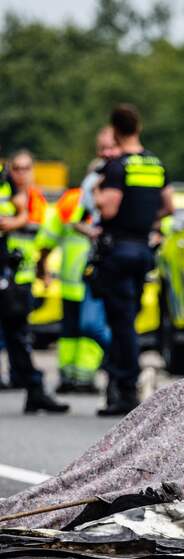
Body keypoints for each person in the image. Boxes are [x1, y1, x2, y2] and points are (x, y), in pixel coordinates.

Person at [94, 105, 173, 416]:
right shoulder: (155, 164)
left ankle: (125, 388)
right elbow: (168, 206)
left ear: (115, 130)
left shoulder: (116, 167)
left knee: (122, 321)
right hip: (143, 250)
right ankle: (121, 382)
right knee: (129, 318)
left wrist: (99, 193)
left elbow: (109, 210)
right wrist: (144, 217)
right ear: (138, 127)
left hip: (119, 251)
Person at [0, 148, 68, 412]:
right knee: (17, 336)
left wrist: (43, 270)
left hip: (21, 276)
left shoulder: (34, 197)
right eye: (16, 168)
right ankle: (32, 386)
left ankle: (33, 386)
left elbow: (35, 226)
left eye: (26, 168)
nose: (21, 173)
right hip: (9, 274)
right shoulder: (9, 195)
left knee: (18, 335)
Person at [36, 184, 108, 393]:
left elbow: (47, 237)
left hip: (73, 279)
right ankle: (82, 376)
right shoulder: (107, 199)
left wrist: (42, 265)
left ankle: (70, 376)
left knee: (72, 330)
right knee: (85, 330)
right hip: (92, 280)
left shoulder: (70, 200)